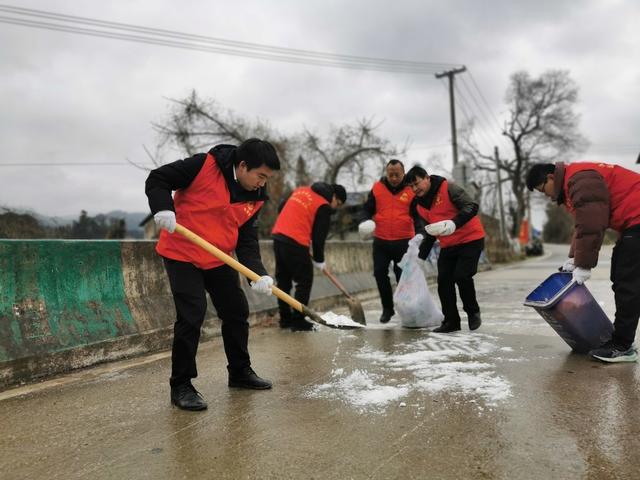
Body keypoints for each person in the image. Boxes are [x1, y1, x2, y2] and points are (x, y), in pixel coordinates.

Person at [145, 138, 280, 411]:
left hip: (218, 258)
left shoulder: (255, 197)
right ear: (242, 166)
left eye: (267, 178)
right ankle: (181, 385)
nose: (262, 183)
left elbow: (246, 240)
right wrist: (163, 207)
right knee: (192, 314)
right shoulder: (203, 166)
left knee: (236, 311)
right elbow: (158, 178)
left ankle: (240, 372)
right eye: (260, 176)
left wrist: (259, 274)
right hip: (181, 253)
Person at [527, 161, 640, 363]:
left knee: (626, 283)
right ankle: (622, 342)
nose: (548, 196)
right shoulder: (575, 180)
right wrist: (575, 258)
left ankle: (622, 346)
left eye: (543, 190)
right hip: (632, 222)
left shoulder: (580, 180)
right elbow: (582, 226)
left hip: (636, 220)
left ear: (550, 178)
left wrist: (584, 264)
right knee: (624, 280)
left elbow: (592, 223)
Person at [405, 166, 485, 333]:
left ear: (427, 178)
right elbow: (430, 232)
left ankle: (473, 312)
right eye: (411, 186)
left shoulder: (448, 188)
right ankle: (451, 321)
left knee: (462, 276)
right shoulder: (420, 206)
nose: (414, 189)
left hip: (470, 239)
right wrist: (420, 257)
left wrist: (454, 223)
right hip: (448, 245)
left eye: (417, 183)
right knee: (444, 282)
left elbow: (471, 206)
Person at [271, 182, 347, 331]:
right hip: (296, 240)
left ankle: (285, 320)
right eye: (337, 204)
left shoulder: (302, 190)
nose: (335, 209)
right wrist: (320, 260)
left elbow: (282, 207)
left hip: (279, 236)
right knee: (304, 280)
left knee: (283, 281)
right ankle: (298, 320)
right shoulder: (323, 205)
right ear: (334, 197)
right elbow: (319, 238)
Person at [359, 159, 419, 323]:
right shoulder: (377, 188)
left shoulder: (410, 190)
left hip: (404, 241)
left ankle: (406, 310)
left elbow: (418, 215)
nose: (393, 178)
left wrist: (421, 234)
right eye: (390, 174)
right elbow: (366, 209)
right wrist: (364, 221)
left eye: (397, 175)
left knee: (403, 278)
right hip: (381, 242)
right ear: (386, 173)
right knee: (380, 274)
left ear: (403, 174)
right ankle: (387, 308)